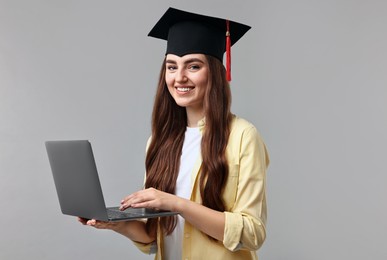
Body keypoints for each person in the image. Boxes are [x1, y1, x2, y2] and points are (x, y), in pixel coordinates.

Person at [78, 7, 269, 260]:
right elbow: (153, 236)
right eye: (171, 67)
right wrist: (116, 223)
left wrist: (176, 203)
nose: (179, 78)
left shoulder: (244, 136)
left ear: (214, 71)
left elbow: (252, 233)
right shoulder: (159, 142)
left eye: (193, 66)